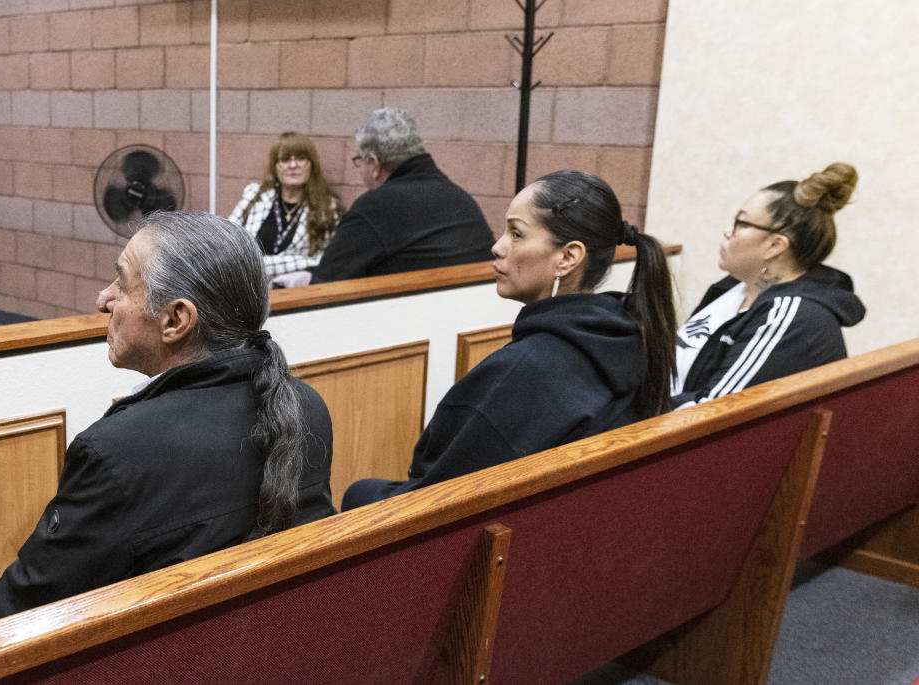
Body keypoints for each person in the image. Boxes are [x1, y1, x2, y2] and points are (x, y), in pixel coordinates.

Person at [0, 211, 336, 630]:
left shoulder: (118, 454)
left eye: (122, 282)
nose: (103, 299)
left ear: (175, 320)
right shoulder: (306, 407)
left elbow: (18, 613)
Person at [341, 170, 676, 509]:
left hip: (499, 539)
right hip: (572, 525)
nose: (497, 247)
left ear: (568, 257)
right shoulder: (628, 336)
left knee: (358, 492)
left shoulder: (525, 371)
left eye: (517, 234)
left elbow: (436, 500)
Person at [673, 162, 866, 407]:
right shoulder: (733, 288)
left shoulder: (793, 317)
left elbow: (712, 410)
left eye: (741, 224)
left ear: (775, 245)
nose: (727, 232)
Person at [309, 107, 494, 283]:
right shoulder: (459, 197)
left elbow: (323, 285)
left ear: (374, 164)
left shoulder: (373, 208)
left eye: (360, 161)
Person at [228, 131, 343, 286]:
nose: (293, 165)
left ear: (311, 164)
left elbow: (322, 260)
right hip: (242, 284)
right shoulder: (255, 196)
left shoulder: (327, 208)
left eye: (301, 158)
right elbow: (227, 238)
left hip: (290, 292)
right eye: (285, 159)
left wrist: (258, 264)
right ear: (275, 166)